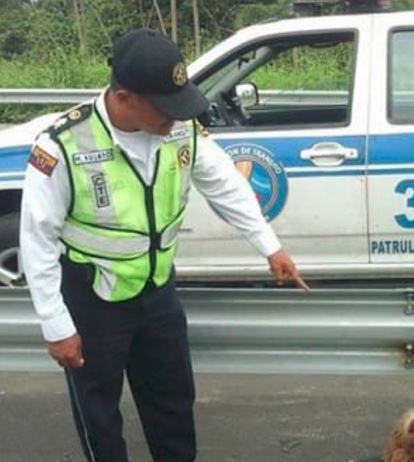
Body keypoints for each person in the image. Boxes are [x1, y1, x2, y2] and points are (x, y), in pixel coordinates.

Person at [19, 28, 309, 462]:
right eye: (165, 108)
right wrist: (56, 325)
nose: (175, 118)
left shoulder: (181, 131)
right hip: (94, 299)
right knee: (100, 418)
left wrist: (269, 245)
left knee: (173, 406)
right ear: (123, 98)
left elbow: (226, 186)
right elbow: (36, 238)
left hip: (157, 294)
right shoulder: (64, 145)